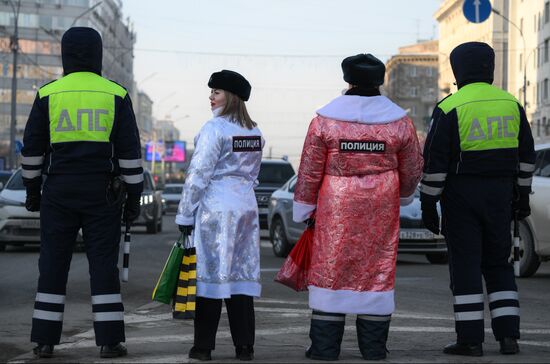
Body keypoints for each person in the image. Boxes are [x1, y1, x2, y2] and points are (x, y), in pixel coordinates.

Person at [21, 27, 143, 359]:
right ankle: (109, 341)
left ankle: (44, 341)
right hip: (102, 193)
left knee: (52, 264)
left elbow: (32, 150)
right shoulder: (115, 94)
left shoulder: (48, 94)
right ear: (98, 54)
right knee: (103, 266)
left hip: (58, 191)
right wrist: (134, 198)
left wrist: (33, 191)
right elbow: (130, 154)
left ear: (64, 55)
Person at [293, 54, 423, 361]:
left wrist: (304, 206)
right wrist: (403, 195)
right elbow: (412, 167)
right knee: (377, 268)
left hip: (335, 204)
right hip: (382, 203)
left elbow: (310, 169)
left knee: (331, 267)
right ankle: (373, 348)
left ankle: (324, 348)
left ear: (347, 80)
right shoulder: (399, 122)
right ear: (379, 81)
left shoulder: (325, 120)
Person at [420, 41, 535, 357]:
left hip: (461, 197)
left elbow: (435, 163)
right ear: (491, 70)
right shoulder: (511, 104)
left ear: (457, 72)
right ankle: (509, 337)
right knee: (500, 264)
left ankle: (470, 340)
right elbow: (527, 156)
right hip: (501, 196)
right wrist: (522, 195)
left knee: (466, 265)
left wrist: (428, 204)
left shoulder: (449, 108)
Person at [175, 70, 264, 361]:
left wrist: (185, 214)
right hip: (246, 207)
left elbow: (198, 175)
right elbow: (253, 175)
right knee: (240, 277)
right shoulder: (255, 132)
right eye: (211, 92)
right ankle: (245, 346)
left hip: (216, 209)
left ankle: (203, 347)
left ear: (232, 97)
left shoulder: (214, 130)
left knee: (210, 277)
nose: (211, 97)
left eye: (216, 92)